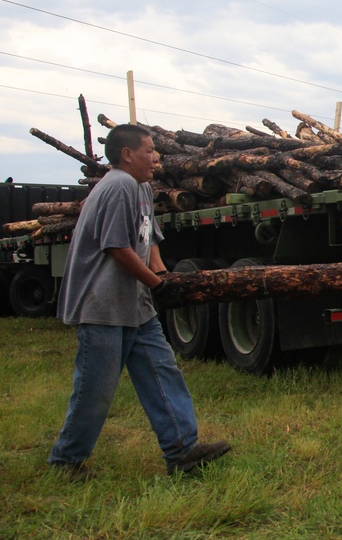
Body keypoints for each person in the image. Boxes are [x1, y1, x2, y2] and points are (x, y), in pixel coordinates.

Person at [48, 124, 230, 481]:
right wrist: (156, 286)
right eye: (149, 150)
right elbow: (116, 247)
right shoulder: (118, 185)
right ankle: (66, 461)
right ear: (127, 154)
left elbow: (150, 240)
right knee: (95, 388)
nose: (156, 157)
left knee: (162, 373)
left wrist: (165, 279)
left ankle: (182, 451)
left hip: (135, 306)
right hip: (102, 306)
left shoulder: (143, 188)